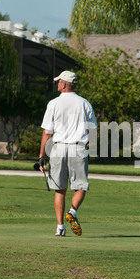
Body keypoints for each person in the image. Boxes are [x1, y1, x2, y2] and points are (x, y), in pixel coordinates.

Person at [39, 70, 97, 237]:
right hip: (78, 148)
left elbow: (47, 133)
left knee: (59, 189)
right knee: (80, 186)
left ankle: (60, 227)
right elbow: (92, 130)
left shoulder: (53, 103)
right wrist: (90, 148)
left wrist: (42, 155)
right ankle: (72, 211)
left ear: (64, 84)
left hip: (57, 148)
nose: (57, 84)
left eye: (59, 82)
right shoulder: (84, 103)